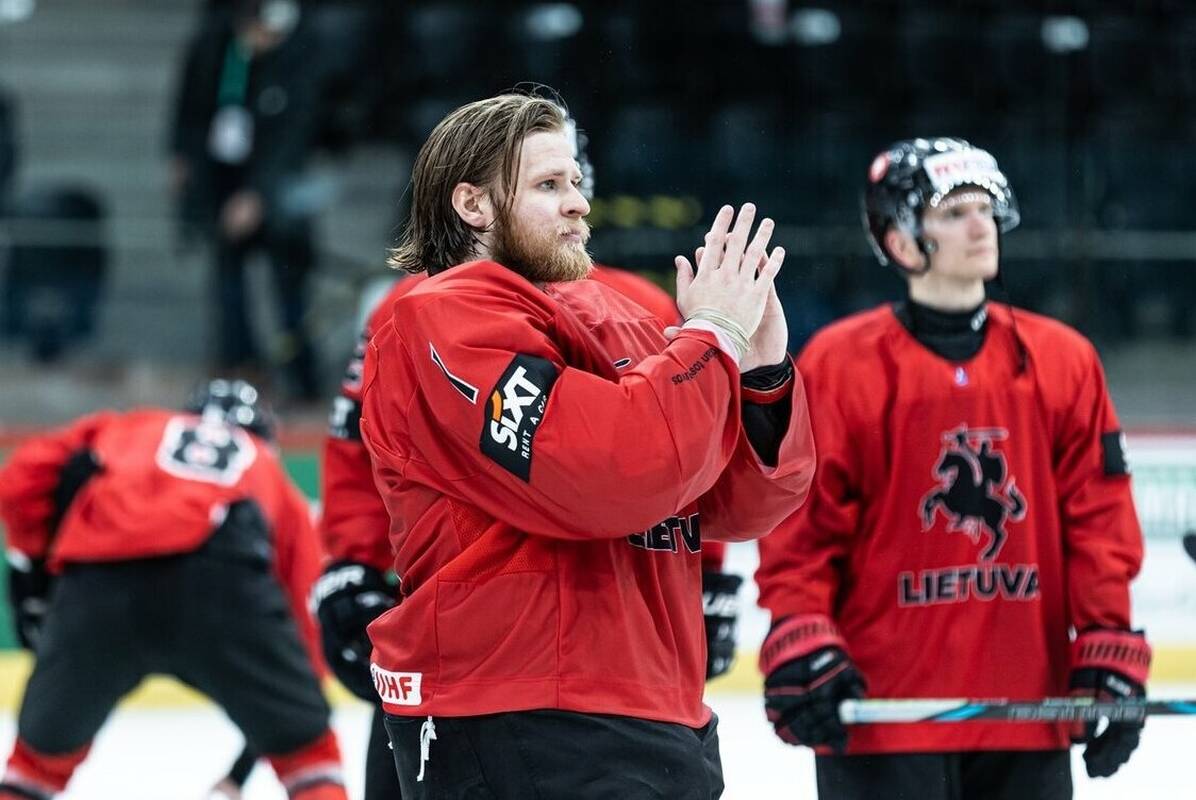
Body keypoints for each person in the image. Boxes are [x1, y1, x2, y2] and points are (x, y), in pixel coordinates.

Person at [352, 91, 815, 798]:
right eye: (547, 186)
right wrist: (713, 333)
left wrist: (762, 373)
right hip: (518, 712)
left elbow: (729, 504)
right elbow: (611, 473)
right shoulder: (437, 318)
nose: (578, 204)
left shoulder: (625, 315)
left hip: (658, 705)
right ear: (472, 206)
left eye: (574, 182)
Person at [755, 138, 1149, 800]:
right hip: (884, 717)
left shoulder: (1064, 359)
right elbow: (801, 525)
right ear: (904, 242)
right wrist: (801, 631)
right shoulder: (838, 365)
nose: (980, 225)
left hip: (1025, 711)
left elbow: (1099, 519)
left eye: (985, 208)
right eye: (955, 211)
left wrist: (1109, 639)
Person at [0, 380, 349, 800]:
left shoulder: (134, 425)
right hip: (222, 582)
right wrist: (290, 722)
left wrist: (35, 579)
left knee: (34, 766)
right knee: (311, 759)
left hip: (99, 578)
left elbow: (19, 483)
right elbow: (305, 621)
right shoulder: (270, 472)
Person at [169, 0, 331, 400]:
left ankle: (303, 380)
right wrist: (182, 157)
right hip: (223, 179)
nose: (269, 40)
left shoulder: (298, 55)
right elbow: (189, 109)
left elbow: (296, 135)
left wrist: (259, 195)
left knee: (290, 288)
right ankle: (240, 372)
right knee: (228, 285)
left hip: (279, 191)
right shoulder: (211, 46)